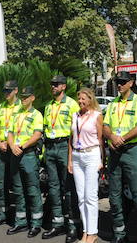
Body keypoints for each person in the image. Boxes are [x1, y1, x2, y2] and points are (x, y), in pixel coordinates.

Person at [103, 71, 137, 243]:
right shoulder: (112, 104)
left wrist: (121, 139)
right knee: (114, 195)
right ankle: (119, 233)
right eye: (118, 81)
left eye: (123, 82)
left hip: (132, 151)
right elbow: (105, 126)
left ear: (131, 83)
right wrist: (111, 138)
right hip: (115, 152)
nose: (120, 84)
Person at [43, 75, 81, 241]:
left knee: (69, 188)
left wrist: (73, 153)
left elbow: (77, 130)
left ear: (63, 87)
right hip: (50, 147)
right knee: (53, 187)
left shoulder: (72, 104)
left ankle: (73, 226)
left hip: (65, 147)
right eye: (52, 84)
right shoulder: (48, 106)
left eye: (56, 84)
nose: (53, 87)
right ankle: (57, 224)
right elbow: (45, 127)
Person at [7, 85, 44, 237]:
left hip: (28, 155)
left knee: (33, 190)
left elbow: (36, 135)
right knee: (18, 190)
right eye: (22, 97)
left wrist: (21, 146)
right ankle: (20, 222)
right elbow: (9, 133)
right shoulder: (16, 114)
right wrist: (12, 146)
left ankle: (36, 224)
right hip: (15, 154)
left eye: (26, 97)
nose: (23, 99)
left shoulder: (36, 115)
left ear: (32, 98)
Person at [68, 88, 105, 243]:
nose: (81, 101)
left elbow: (101, 139)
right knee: (81, 197)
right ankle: (85, 231)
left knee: (90, 196)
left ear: (90, 99)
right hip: (77, 156)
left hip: (91, 155)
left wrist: (102, 161)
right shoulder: (75, 115)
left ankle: (93, 233)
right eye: (79, 99)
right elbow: (71, 139)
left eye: (84, 99)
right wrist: (70, 160)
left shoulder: (97, 116)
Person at [0, 80, 21, 227]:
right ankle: (3, 214)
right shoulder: (0, 107)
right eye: (5, 91)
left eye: (9, 91)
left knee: (17, 184)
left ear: (16, 91)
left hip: (16, 149)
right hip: (1, 148)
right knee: (1, 183)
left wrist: (10, 144)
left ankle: (19, 217)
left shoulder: (22, 106)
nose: (6, 93)